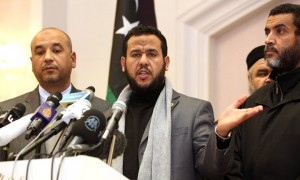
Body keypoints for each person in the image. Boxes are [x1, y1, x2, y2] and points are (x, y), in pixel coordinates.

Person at [109, 25, 262, 180]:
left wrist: (221, 135)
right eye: (135, 54)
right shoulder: (109, 118)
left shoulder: (194, 111)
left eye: (151, 54)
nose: (143, 61)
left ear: (166, 63)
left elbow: (212, 170)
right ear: (123, 63)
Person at [0, 27, 112, 160]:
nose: (47, 57)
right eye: (40, 52)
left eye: (56, 51)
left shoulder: (104, 111)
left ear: (73, 59)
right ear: (32, 63)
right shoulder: (8, 111)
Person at [225, 3, 300, 179]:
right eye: (267, 32)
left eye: (280, 31)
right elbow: (233, 168)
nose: (268, 40)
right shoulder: (252, 104)